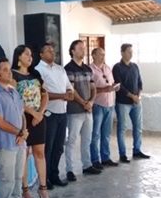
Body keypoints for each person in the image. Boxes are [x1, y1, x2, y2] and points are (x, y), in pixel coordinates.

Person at [0, 57, 33, 198]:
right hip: (6, 143)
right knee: (6, 177)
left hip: (20, 141)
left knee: (18, 175)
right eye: (5, 70)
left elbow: (21, 113)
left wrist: (25, 131)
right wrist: (19, 132)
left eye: (9, 68)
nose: (9, 72)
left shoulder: (13, 91)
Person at [11, 45, 50, 198]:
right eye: (26, 54)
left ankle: (43, 186)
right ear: (18, 56)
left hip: (39, 117)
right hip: (23, 118)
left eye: (31, 55)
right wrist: (32, 113)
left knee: (39, 152)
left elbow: (45, 95)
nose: (30, 57)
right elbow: (15, 100)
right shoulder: (13, 75)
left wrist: (40, 112)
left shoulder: (36, 74)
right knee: (24, 154)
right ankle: (25, 189)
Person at [35, 43, 73, 190]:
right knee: (48, 148)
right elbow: (42, 94)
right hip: (49, 113)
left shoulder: (60, 69)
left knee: (58, 147)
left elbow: (69, 87)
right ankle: (45, 178)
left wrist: (69, 93)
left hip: (62, 112)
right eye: (49, 51)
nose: (53, 53)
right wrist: (62, 95)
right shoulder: (39, 70)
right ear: (41, 54)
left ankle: (54, 174)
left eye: (53, 50)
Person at [64, 40, 101, 182]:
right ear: (72, 51)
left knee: (87, 139)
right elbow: (71, 90)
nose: (82, 51)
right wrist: (83, 103)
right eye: (80, 48)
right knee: (72, 141)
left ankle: (87, 165)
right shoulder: (69, 68)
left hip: (88, 109)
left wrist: (91, 102)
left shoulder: (87, 68)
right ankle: (70, 169)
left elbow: (93, 87)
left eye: (83, 48)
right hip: (75, 110)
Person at [112, 43, 150, 163]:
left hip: (136, 102)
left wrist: (138, 95)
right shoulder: (117, 67)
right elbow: (119, 86)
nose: (131, 54)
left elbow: (140, 82)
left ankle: (137, 150)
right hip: (123, 102)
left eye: (132, 51)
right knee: (122, 128)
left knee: (138, 127)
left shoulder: (135, 67)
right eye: (128, 51)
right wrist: (131, 96)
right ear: (122, 53)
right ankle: (122, 154)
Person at [90, 47, 120, 169]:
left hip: (110, 104)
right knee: (95, 134)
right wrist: (104, 89)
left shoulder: (107, 68)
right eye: (100, 54)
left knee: (106, 134)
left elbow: (110, 83)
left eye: (104, 54)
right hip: (98, 105)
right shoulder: (90, 70)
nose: (103, 56)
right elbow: (89, 89)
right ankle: (94, 160)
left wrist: (114, 87)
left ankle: (105, 157)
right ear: (94, 55)